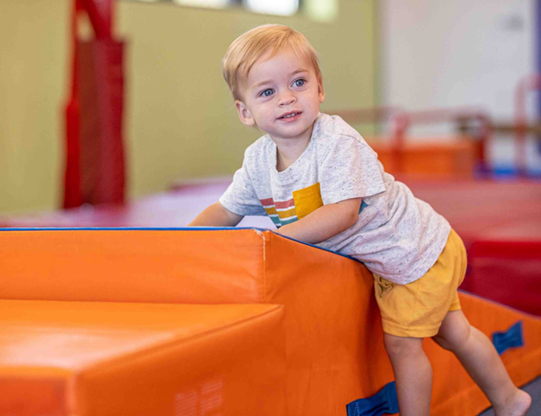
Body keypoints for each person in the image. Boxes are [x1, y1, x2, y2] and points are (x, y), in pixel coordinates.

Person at [188, 24, 532, 416]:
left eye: (298, 83)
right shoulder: (258, 162)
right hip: (399, 258)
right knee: (456, 334)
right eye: (268, 92)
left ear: (319, 89)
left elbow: (341, 213)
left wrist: (273, 241)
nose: (287, 98)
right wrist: (184, 242)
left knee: (403, 345)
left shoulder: (336, 142)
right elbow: (224, 211)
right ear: (245, 111)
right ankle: (509, 398)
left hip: (414, 250)